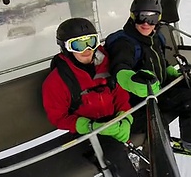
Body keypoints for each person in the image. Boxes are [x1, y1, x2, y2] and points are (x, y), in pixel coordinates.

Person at [105, 0, 191, 157]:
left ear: (159, 19)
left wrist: (170, 70)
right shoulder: (124, 43)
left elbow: (161, 60)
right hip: (142, 97)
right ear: (133, 16)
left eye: (152, 18)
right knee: (190, 98)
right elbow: (120, 68)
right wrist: (132, 81)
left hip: (161, 84)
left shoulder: (156, 37)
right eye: (141, 17)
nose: (146, 24)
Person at [42, 17, 138, 176]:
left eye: (91, 42)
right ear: (66, 48)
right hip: (87, 132)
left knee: (151, 118)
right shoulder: (57, 81)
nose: (87, 49)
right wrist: (89, 126)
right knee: (114, 151)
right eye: (79, 45)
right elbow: (58, 117)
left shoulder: (107, 65)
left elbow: (120, 95)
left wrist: (125, 118)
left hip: (114, 121)